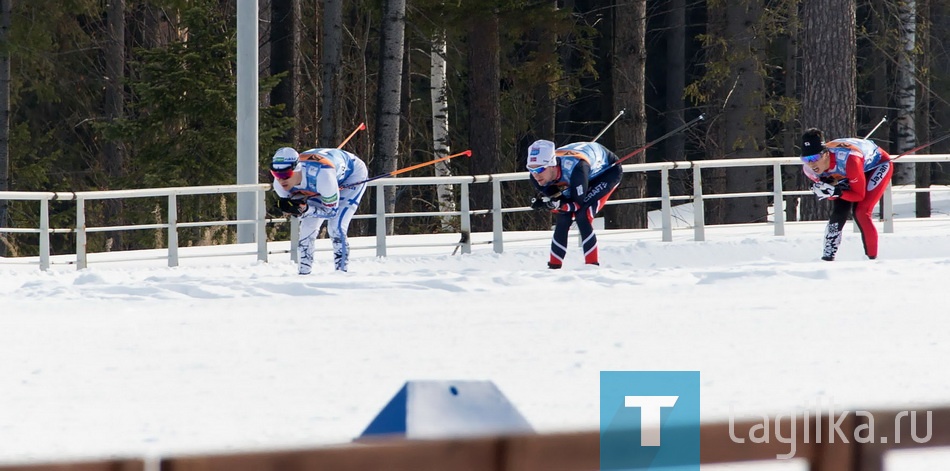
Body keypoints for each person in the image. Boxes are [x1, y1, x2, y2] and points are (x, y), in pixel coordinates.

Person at [526, 139, 622, 269]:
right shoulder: (537, 177)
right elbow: (559, 203)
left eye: (540, 169)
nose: (536, 175)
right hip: (581, 173)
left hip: (607, 172)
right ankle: (554, 267)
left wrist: (557, 205)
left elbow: (577, 203)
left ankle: (592, 266)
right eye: (531, 169)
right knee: (563, 216)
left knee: (583, 214)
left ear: (552, 164)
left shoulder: (577, 169)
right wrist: (549, 205)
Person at [270, 146, 368, 274]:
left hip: (351, 175)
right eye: (275, 174)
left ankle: (341, 273)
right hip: (320, 179)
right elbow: (298, 212)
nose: (281, 179)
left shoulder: (323, 176)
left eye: (285, 174)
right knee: (307, 228)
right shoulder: (279, 184)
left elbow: (331, 212)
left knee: (336, 227)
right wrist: (293, 210)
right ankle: (304, 274)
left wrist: (306, 209)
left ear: (296, 168)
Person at [799, 127, 893, 261]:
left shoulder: (850, 160)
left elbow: (858, 195)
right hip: (845, 171)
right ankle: (827, 257)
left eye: (815, 157)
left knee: (861, 212)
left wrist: (837, 191)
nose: (811, 163)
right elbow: (833, 196)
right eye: (806, 158)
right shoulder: (809, 170)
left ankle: (872, 259)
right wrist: (829, 192)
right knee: (839, 210)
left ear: (825, 153)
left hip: (876, 165)